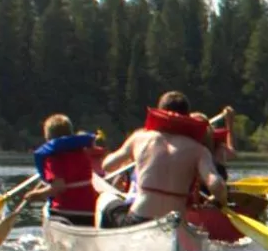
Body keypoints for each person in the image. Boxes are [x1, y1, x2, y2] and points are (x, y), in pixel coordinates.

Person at [97, 91, 227, 228]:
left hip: (140, 220)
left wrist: (133, 154)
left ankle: (108, 245)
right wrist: (222, 201)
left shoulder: (140, 138)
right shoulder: (199, 150)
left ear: (159, 111)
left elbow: (107, 166)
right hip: (175, 225)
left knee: (104, 198)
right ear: (187, 116)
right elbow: (216, 185)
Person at [25, 114, 100, 225]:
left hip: (66, 213)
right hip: (90, 212)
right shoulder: (83, 151)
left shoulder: (52, 158)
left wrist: (35, 195)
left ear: (48, 137)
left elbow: (58, 187)